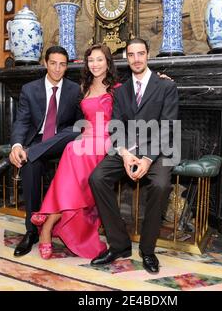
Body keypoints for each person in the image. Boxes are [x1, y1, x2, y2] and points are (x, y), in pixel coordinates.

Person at [89, 38, 179, 274]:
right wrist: (126, 154)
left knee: (160, 185)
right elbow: (116, 125)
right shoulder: (121, 90)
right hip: (128, 148)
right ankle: (119, 245)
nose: (136, 59)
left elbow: (168, 126)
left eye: (141, 53)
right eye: (131, 55)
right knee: (97, 178)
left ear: (148, 55)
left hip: (159, 150)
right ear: (126, 58)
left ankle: (148, 250)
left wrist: (148, 159)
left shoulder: (166, 86)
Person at [0, 46, 83, 257]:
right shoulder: (30, 89)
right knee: (29, 164)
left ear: (67, 66)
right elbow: (22, 122)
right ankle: (31, 232)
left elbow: (78, 122)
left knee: (73, 131)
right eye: (54, 63)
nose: (58, 69)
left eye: (63, 64)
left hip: (61, 141)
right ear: (46, 63)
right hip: (36, 140)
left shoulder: (74, 90)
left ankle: (8, 163)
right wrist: (17, 146)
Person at [29, 44, 118, 259]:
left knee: (77, 151)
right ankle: (50, 221)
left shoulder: (118, 88)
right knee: (72, 147)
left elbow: (138, 99)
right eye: (91, 60)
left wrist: (162, 78)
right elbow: (78, 120)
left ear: (107, 62)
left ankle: (48, 221)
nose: (95, 64)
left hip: (106, 139)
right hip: (87, 136)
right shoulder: (83, 87)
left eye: (99, 60)